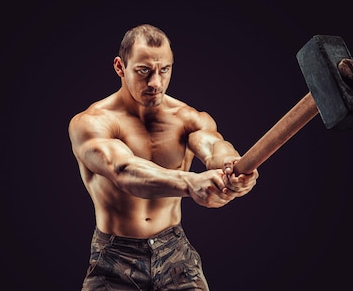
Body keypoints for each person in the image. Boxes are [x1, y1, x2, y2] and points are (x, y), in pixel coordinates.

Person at [68, 23, 258, 290]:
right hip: (114, 257)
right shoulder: (91, 123)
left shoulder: (186, 117)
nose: (156, 82)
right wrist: (191, 183)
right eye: (143, 71)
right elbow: (123, 169)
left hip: (175, 253)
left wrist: (231, 165)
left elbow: (214, 146)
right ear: (120, 67)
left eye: (164, 70)